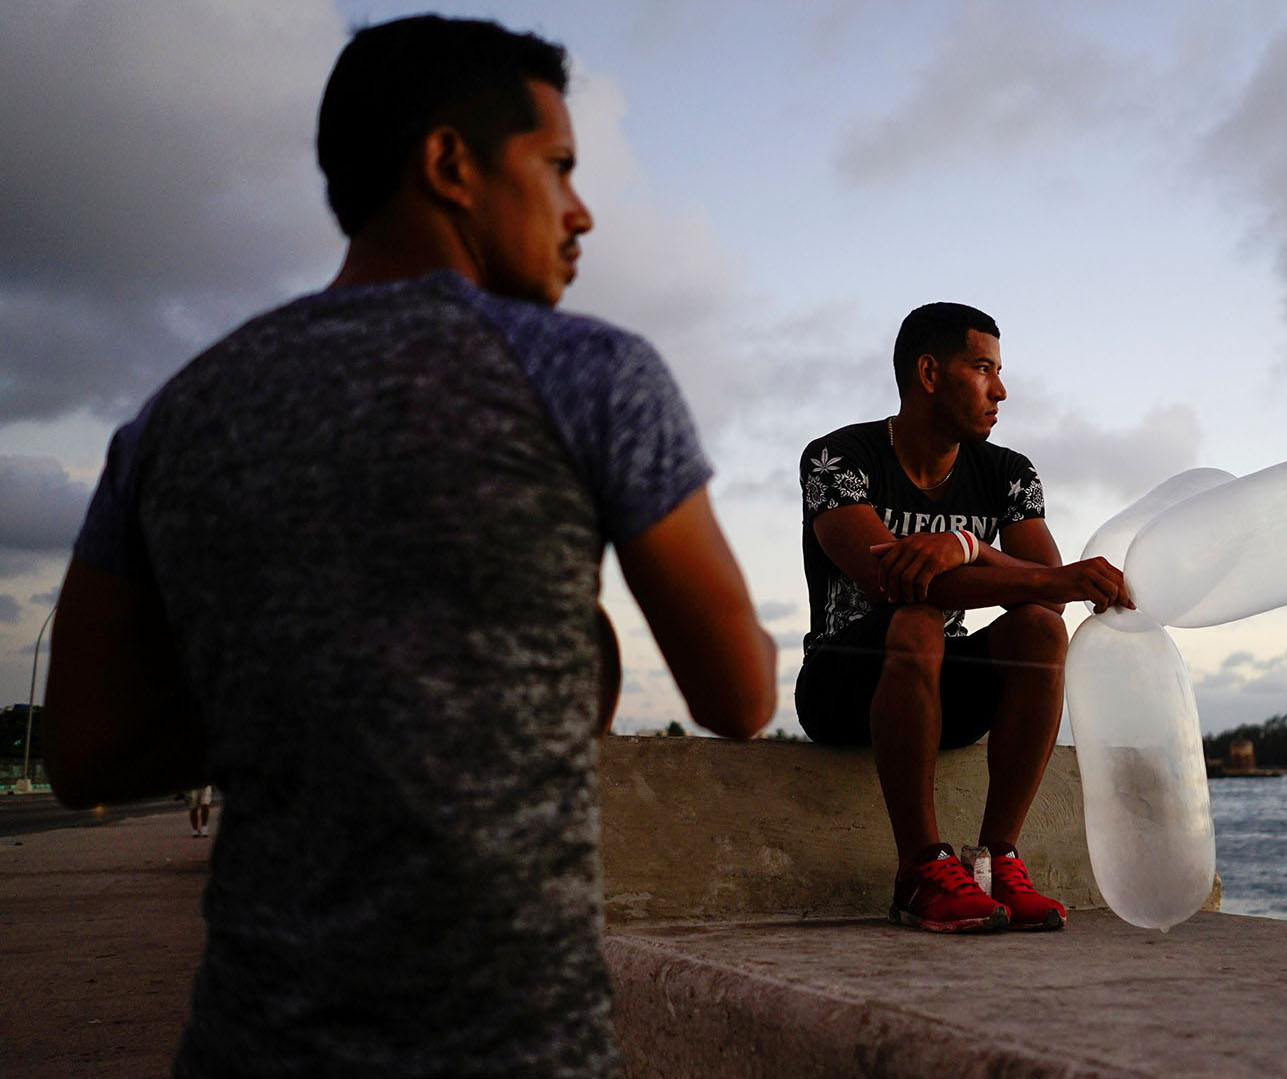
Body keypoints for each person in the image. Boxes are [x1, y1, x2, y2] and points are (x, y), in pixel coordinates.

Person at [45, 15, 774, 1078]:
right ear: (450, 165)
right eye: (559, 167)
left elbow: (86, 752)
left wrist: (308, 683)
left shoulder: (173, 414)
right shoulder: (590, 375)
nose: (583, 212)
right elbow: (741, 694)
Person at [797, 303, 1129, 933]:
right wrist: (972, 547)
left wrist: (967, 546)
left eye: (998, 371)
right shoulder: (838, 458)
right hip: (844, 684)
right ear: (929, 373)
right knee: (917, 617)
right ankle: (919, 869)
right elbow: (888, 579)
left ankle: (998, 858)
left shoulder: (1007, 473)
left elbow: (1047, 598)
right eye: (982, 368)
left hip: (941, 691)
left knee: (1038, 630)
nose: (1000, 390)